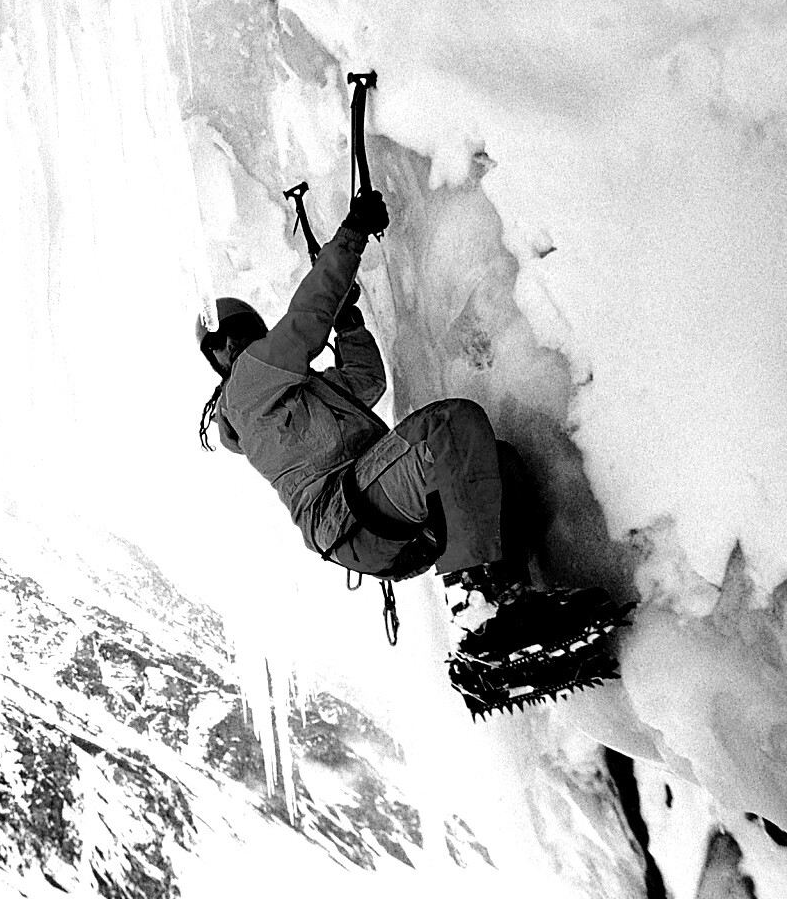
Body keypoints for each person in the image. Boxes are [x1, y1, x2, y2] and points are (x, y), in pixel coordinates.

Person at [197, 191, 626, 714]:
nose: (238, 345)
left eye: (244, 334)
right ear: (220, 357)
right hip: (351, 510)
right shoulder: (245, 387)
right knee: (448, 426)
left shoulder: (299, 396)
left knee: (499, 465)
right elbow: (305, 321)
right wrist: (352, 235)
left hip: (375, 528)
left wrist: (349, 324)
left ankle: (510, 606)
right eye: (227, 340)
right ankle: (479, 615)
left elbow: (366, 381)